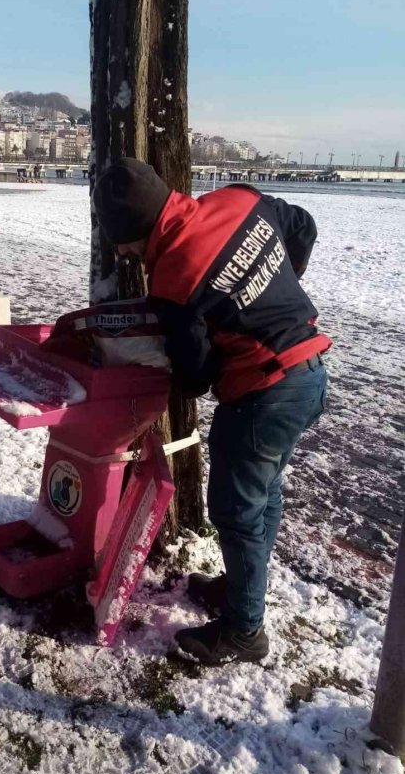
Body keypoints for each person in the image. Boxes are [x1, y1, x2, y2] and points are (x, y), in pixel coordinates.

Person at [94, 158, 330, 665]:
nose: (123, 254)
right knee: (262, 495)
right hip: (308, 370)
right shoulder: (238, 200)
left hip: (263, 393)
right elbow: (302, 225)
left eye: (124, 243)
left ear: (138, 230)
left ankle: (245, 631)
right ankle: (242, 590)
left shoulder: (175, 275)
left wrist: (165, 366)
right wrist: (269, 292)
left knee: (234, 510)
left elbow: (196, 375)